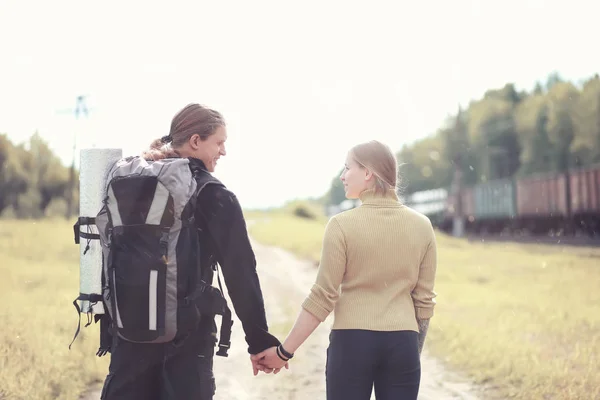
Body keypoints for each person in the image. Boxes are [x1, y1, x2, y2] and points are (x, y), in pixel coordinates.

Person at [100, 103, 281, 399]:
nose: (223, 151)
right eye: (219, 143)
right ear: (196, 141)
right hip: (187, 340)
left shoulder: (130, 183)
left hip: (130, 334)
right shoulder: (212, 193)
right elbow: (240, 274)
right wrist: (259, 341)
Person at [252, 140, 438, 400]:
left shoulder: (341, 225)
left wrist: (284, 352)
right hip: (403, 343)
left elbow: (323, 297)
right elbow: (424, 301)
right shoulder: (422, 226)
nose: (342, 176)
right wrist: (409, 353)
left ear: (368, 173)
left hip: (352, 344)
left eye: (347, 167)